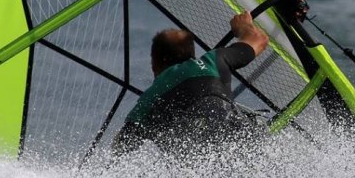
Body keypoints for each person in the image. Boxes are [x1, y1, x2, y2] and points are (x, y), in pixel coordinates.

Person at [112, 10, 269, 155]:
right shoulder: (212, 62)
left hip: (201, 168)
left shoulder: (148, 101)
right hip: (244, 144)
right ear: (192, 55)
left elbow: (120, 149)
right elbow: (259, 39)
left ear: (154, 63)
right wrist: (244, 26)